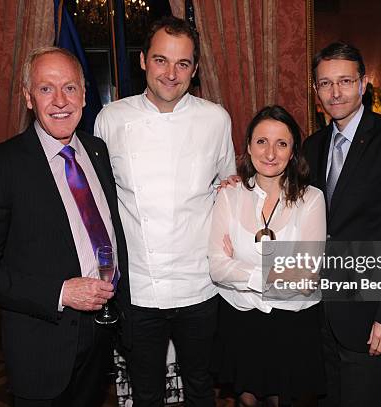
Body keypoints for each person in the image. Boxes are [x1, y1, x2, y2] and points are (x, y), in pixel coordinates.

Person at [0, 47, 127, 406]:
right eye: (46, 89)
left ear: (84, 93)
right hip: (43, 347)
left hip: (101, 333)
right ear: (28, 97)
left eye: (69, 87)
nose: (60, 100)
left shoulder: (97, 152)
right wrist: (60, 293)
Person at [94, 16, 236, 407]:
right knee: (146, 393)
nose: (171, 74)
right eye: (161, 60)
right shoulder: (111, 119)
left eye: (183, 64)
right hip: (139, 287)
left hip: (200, 284)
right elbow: (101, 201)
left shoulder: (216, 119)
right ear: (143, 61)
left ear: (195, 69)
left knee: (200, 388)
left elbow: (228, 187)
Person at [302, 42, 381, 406]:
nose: (335, 91)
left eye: (345, 81)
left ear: (363, 84)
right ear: (316, 92)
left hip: (371, 314)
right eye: (325, 83)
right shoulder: (312, 146)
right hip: (320, 314)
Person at [210, 105, 326, 406]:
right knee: (246, 400)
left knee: (283, 401)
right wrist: (276, 271)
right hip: (241, 319)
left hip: (292, 323)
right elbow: (217, 269)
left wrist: (242, 267)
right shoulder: (228, 195)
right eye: (262, 141)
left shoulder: (312, 199)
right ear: (248, 146)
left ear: (293, 151)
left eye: (282, 143)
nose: (270, 153)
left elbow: (306, 276)